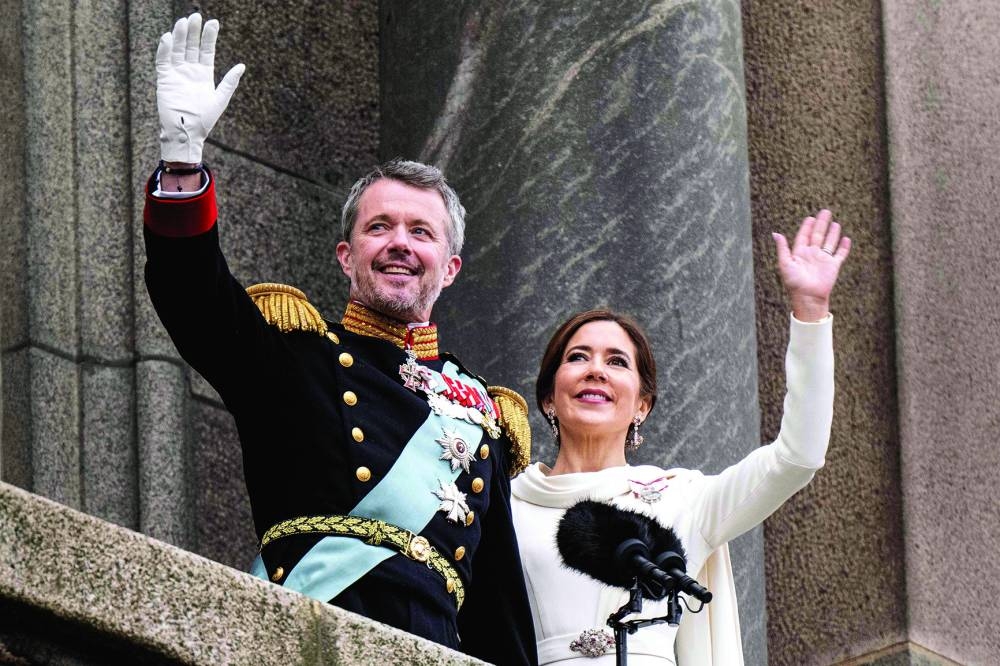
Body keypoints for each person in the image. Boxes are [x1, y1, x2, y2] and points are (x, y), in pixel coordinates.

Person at [142, 13, 536, 664]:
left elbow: (500, 616)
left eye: (421, 232)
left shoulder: (481, 419)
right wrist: (183, 162)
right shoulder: (293, 356)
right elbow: (193, 296)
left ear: (450, 266)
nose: (400, 244)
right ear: (346, 257)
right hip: (306, 643)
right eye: (380, 228)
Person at [511, 211, 850, 665]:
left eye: (617, 362)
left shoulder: (682, 499)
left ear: (642, 405)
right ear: (549, 397)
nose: (596, 370)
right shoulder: (505, 504)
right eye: (577, 357)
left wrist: (811, 312)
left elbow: (798, 457)